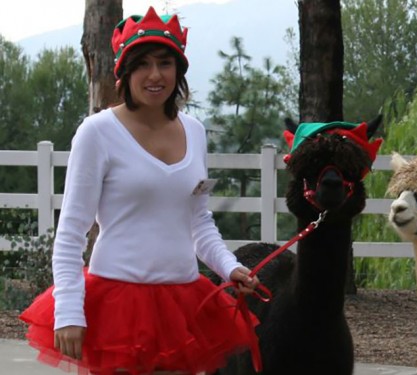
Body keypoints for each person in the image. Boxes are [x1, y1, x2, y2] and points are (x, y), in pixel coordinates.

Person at [20, 7, 261, 374]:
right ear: (125, 71)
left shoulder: (194, 132)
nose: (154, 75)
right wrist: (69, 309)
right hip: (117, 307)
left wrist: (231, 268)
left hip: (184, 306)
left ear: (178, 70)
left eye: (165, 63)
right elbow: (71, 232)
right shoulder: (97, 132)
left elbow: (198, 222)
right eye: (142, 64)